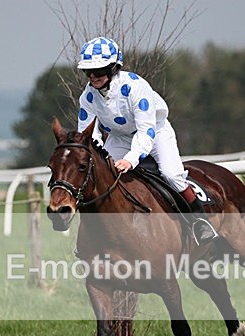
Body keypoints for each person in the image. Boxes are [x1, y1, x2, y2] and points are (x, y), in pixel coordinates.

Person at [75, 36, 217, 243]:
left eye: (98, 71)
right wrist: (95, 154)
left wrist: (130, 159)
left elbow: (146, 131)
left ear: (113, 68)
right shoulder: (87, 96)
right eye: (88, 72)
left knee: (171, 174)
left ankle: (200, 222)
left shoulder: (136, 87)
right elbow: (87, 135)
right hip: (120, 137)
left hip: (155, 132)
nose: (92, 77)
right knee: (98, 175)